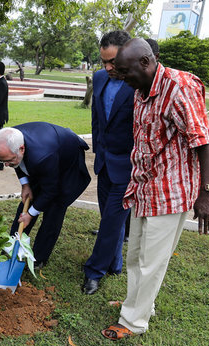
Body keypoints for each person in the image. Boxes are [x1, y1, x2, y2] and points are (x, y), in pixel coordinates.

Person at [101, 38, 209, 340]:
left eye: (125, 71)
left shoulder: (179, 89)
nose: (121, 77)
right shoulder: (140, 89)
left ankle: (134, 322)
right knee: (137, 255)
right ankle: (137, 305)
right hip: (144, 187)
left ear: (145, 62)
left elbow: (203, 141)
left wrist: (206, 193)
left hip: (170, 192)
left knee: (152, 261)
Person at [0, 122, 91, 267]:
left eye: (8, 161)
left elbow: (51, 190)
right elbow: (15, 162)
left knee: (55, 208)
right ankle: (12, 247)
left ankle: (39, 257)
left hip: (67, 163)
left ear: (22, 149)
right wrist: (25, 184)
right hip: (44, 157)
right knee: (27, 203)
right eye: (2, 161)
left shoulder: (42, 156)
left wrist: (31, 214)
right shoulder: (8, 138)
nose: (6, 165)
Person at [82, 31, 134, 295]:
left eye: (112, 61)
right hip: (104, 163)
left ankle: (94, 271)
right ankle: (115, 263)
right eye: (103, 62)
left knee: (112, 220)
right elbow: (97, 121)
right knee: (109, 219)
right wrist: (97, 152)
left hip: (128, 167)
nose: (108, 68)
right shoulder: (101, 78)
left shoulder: (138, 81)